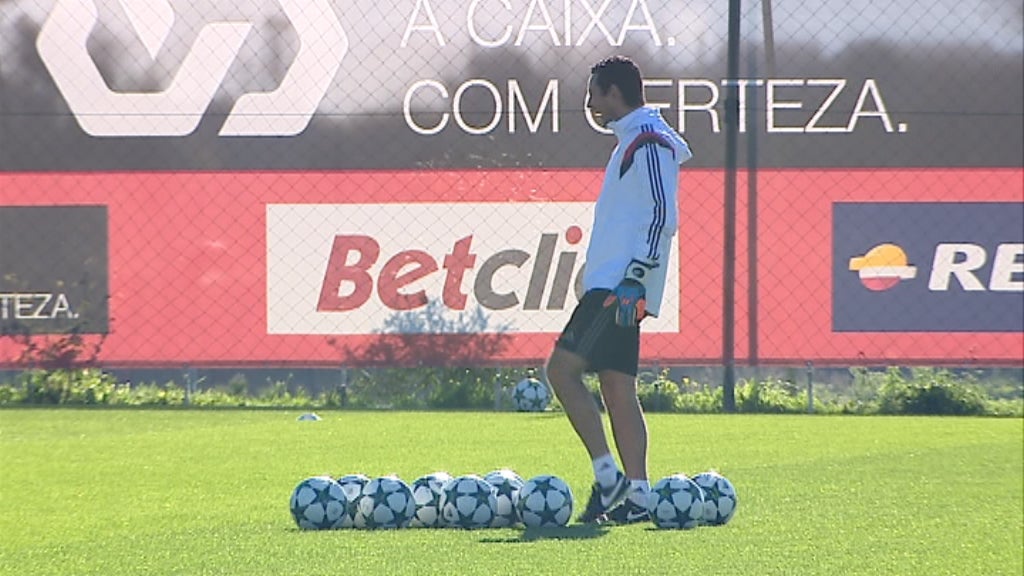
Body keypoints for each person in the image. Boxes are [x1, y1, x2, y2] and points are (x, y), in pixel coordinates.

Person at [545, 55, 692, 525]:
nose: (589, 103)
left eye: (594, 93)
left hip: (619, 288)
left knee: (561, 371)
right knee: (616, 386)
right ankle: (640, 495)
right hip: (613, 282)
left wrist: (634, 276)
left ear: (613, 93)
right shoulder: (633, 139)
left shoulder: (648, 141)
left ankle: (609, 478)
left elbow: (662, 215)